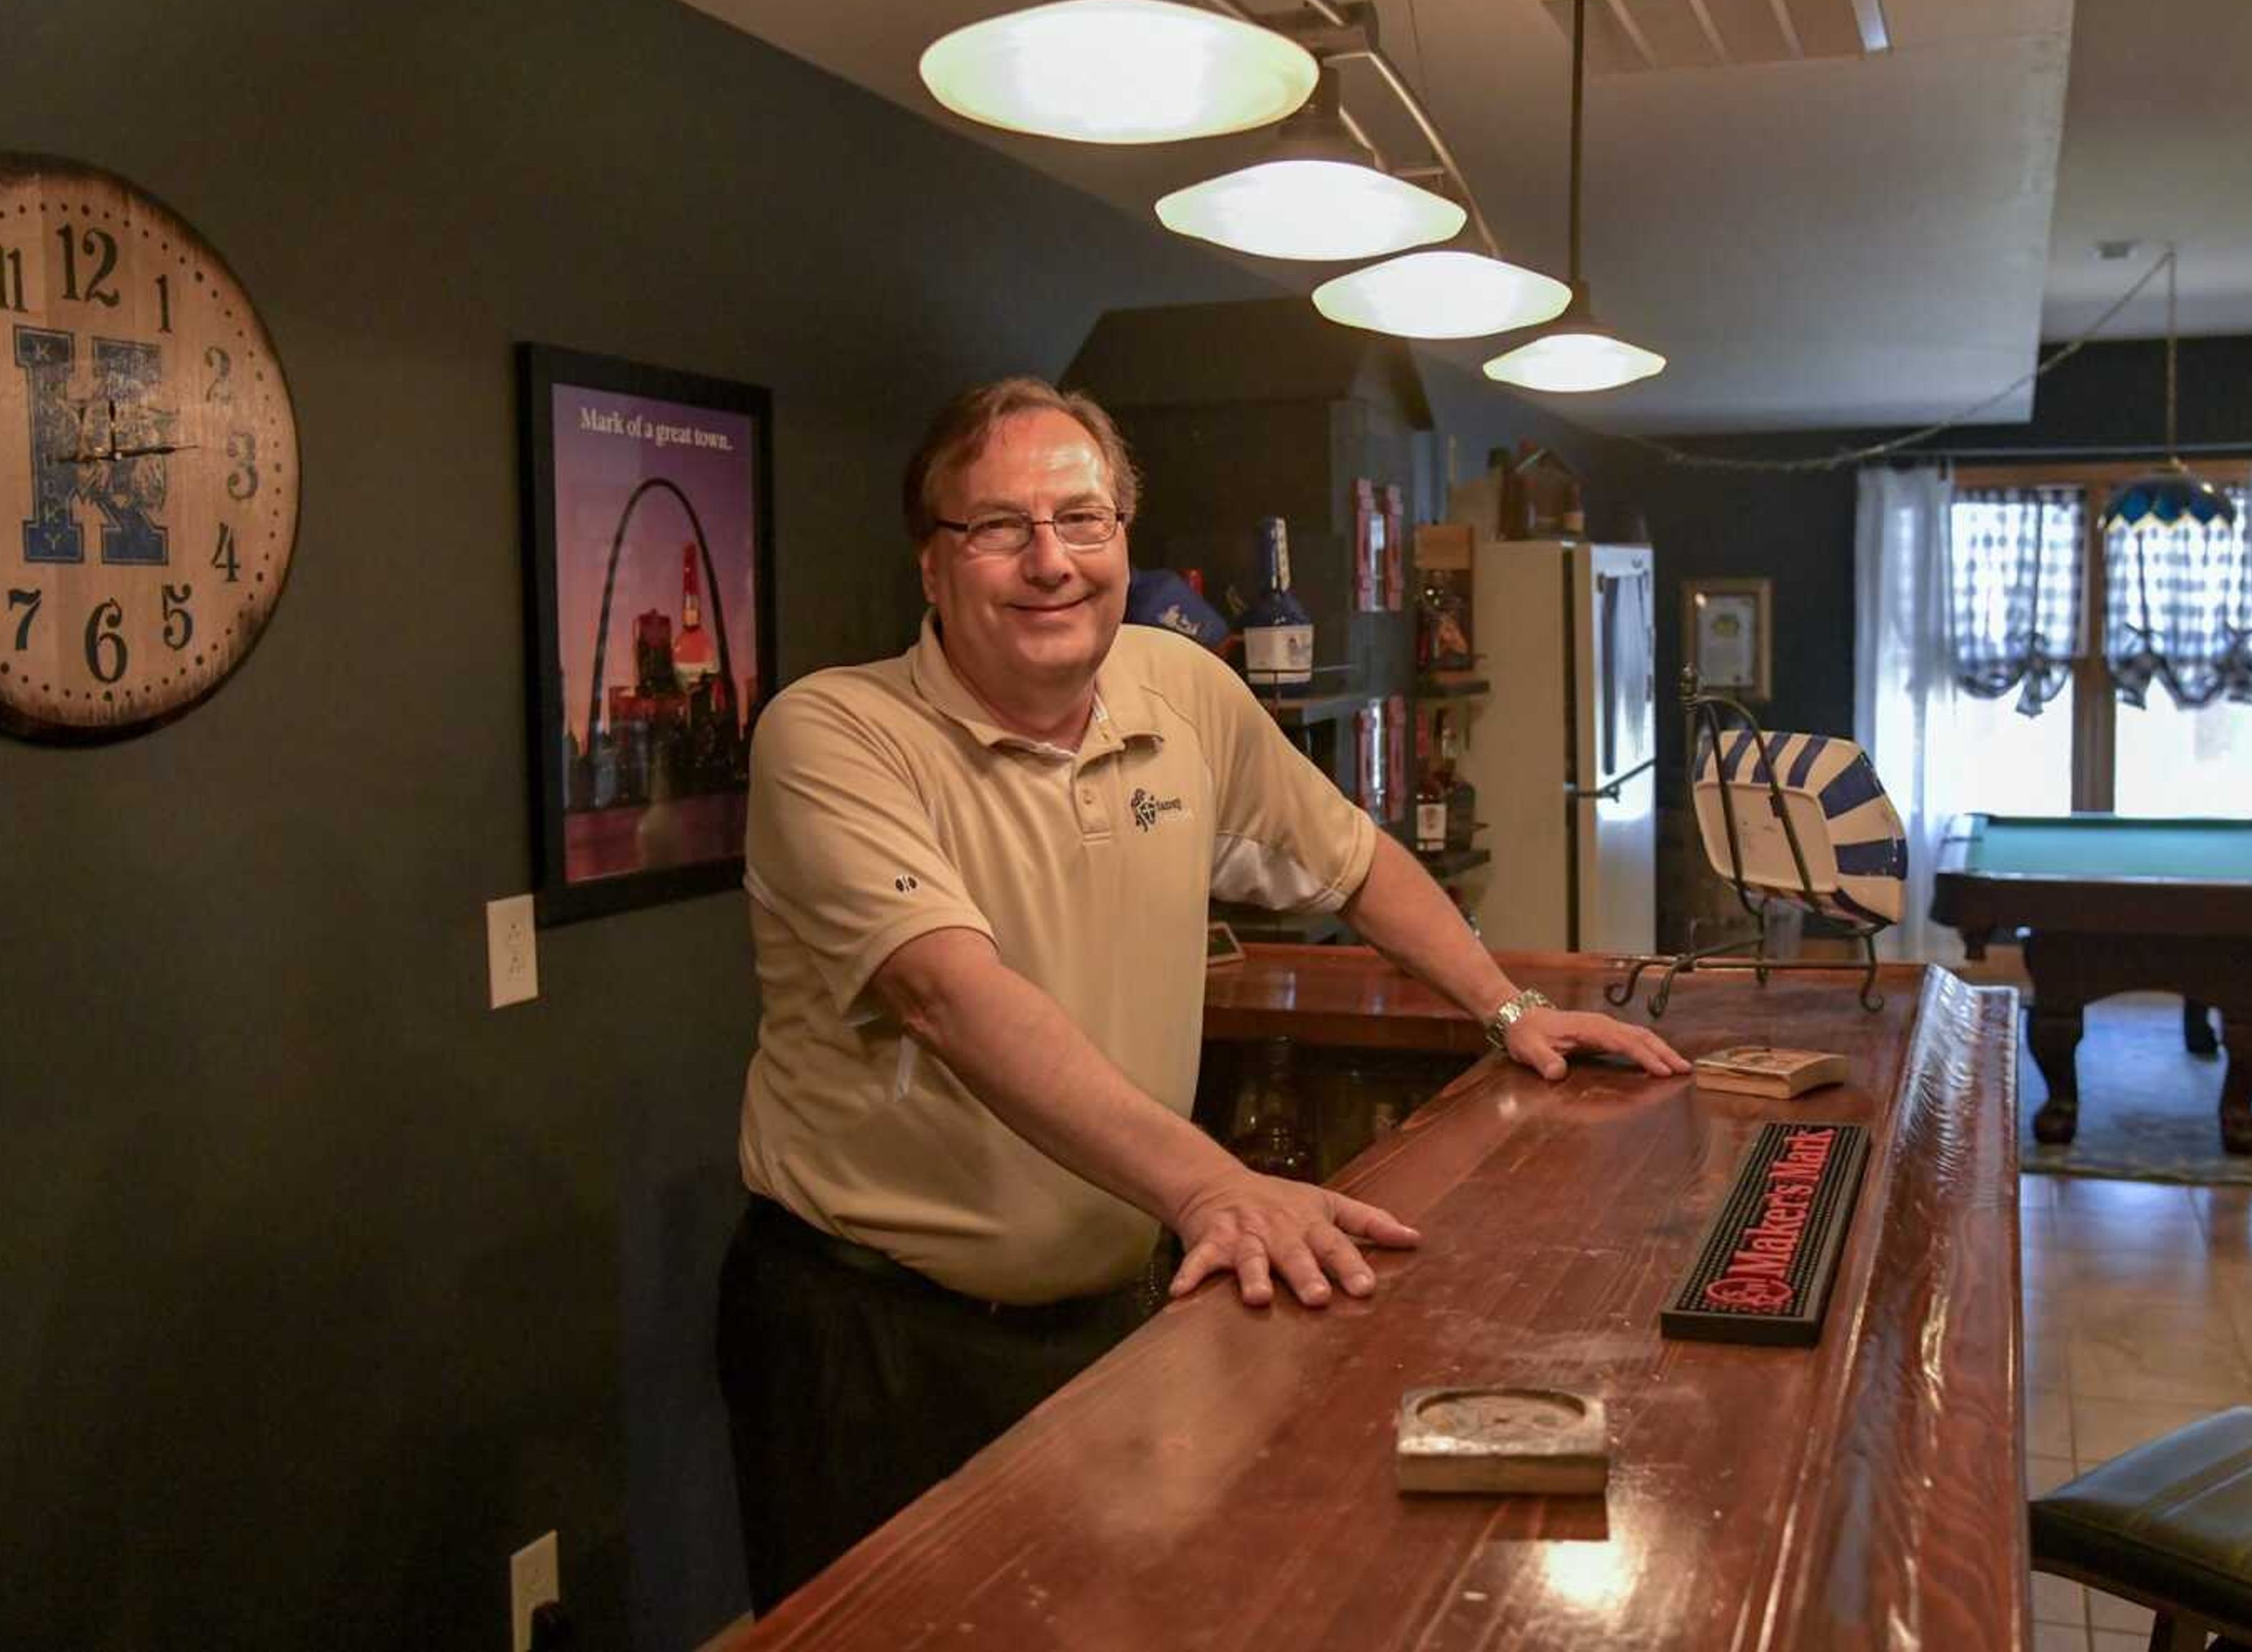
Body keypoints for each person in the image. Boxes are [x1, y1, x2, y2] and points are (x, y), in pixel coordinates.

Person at [717, 377, 1687, 1611]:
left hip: (1103, 1310)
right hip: (866, 1330)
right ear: (932, 565)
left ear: (1125, 537)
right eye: (999, 527)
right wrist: (1209, 1184)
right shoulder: (833, 735)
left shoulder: (1183, 690)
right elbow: (949, 999)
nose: (1050, 561)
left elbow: (1354, 855)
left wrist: (1507, 1010)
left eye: (1083, 520)